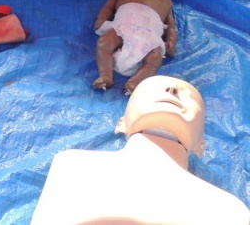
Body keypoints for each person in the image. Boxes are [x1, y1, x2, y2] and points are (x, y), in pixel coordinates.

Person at [31, 75, 250, 224]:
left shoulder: (229, 210)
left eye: (188, 95)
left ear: (201, 145)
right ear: (121, 123)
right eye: (151, 90)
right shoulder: (73, 167)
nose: (172, 90)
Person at [93, 0, 178, 95]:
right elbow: (108, 7)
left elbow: (171, 26)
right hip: (122, 28)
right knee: (104, 42)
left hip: (150, 36)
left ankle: (135, 82)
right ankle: (105, 75)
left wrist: (171, 41)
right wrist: (102, 19)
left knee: (154, 58)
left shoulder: (166, 2)